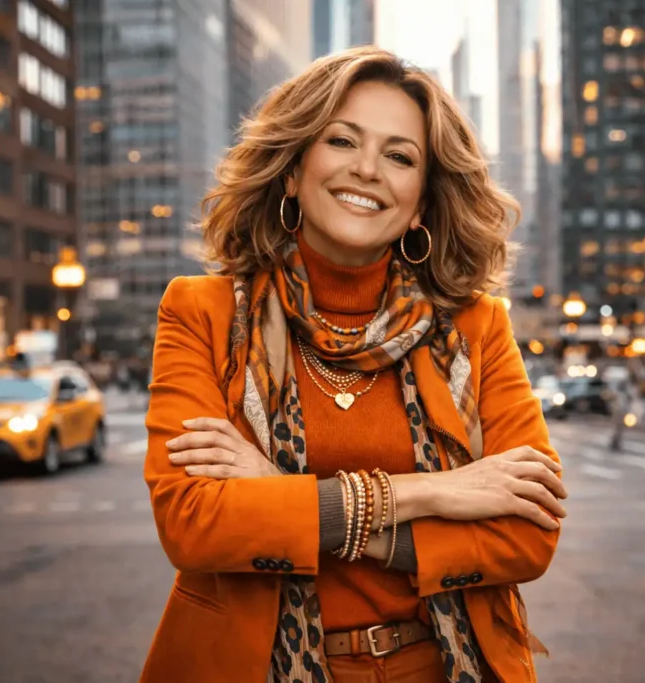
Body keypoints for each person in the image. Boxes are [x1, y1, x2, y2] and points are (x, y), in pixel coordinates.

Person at [140, 47, 567, 683]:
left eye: (400, 156)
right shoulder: (200, 312)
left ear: (420, 200)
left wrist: (281, 496)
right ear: (293, 169)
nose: (367, 170)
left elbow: (528, 533)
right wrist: (430, 494)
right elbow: (194, 524)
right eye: (342, 141)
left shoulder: (477, 327)